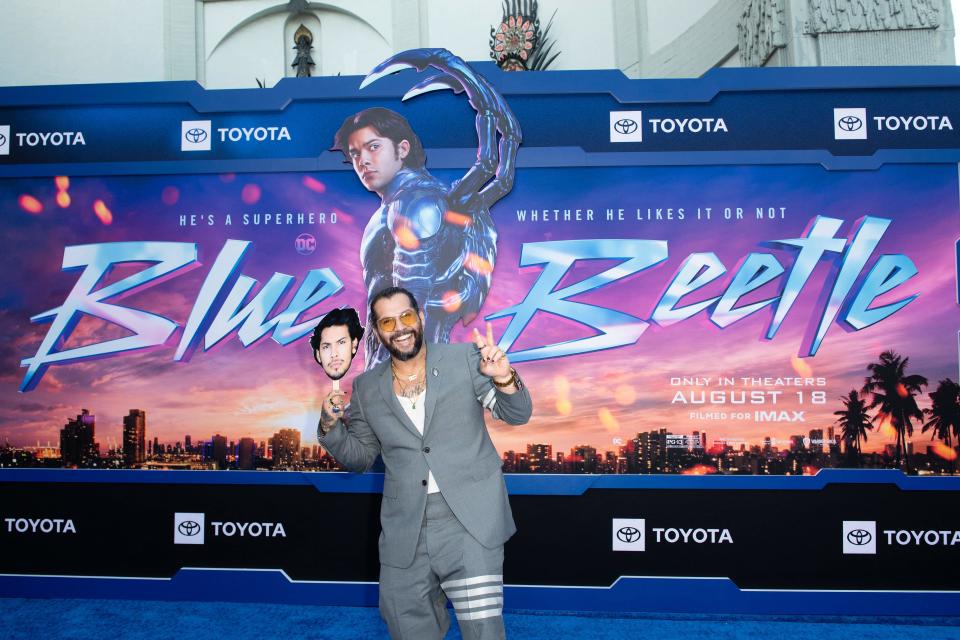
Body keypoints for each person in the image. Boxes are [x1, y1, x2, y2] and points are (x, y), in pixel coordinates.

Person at [318, 286, 532, 640]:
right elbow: (359, 457)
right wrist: (329, 425)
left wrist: (504, 377)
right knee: (407, 627)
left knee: (483, 632)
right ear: (376, 331)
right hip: (406, 531)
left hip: (470, 522)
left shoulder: (466, 359)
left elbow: (517, 414)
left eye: (405, 316)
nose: (399, 327)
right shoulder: (367, 387)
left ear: (419, 317)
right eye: (387, 321)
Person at [332, 49, 520, 371]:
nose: (362, 160)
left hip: (408, 362)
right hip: (403, 360)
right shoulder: (421, 202)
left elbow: (409, 304)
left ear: (402, 149)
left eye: (373, 147)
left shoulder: (415, 204)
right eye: (355, 154)